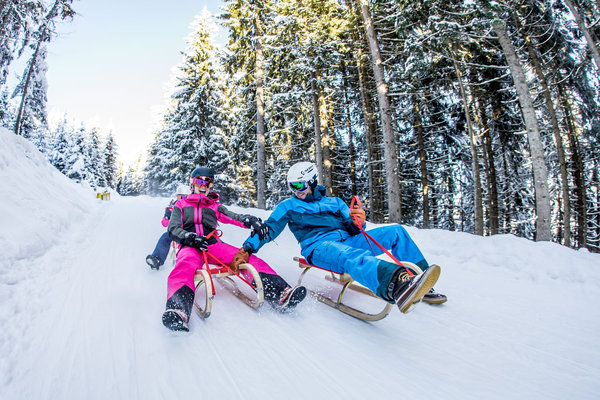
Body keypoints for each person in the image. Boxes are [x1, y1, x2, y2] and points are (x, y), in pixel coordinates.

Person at [231, 161, 447, 315]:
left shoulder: (335, 203)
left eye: (299, 186)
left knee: (396, 232)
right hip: (318, 246)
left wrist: (358, 223)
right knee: (349, 254)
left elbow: (353, 230)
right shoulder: (289, 206)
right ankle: (396, 286)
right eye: (292, 187)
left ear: (313, 181)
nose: (296, 191)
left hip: (348, 240)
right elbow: (269, 229)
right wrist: (247, 248)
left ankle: (420, 280)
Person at [162, 166, 306, 332]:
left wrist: (250, 220)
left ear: (211, 186)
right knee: (184, 265)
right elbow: (172, 229)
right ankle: (178, 309)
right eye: (199, 181)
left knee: (245, 258)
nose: (203, 185)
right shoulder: (181, 204)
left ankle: (281, 293)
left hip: (213, 245)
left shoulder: (214, 206)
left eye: (207, 182)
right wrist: (189, 237)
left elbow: (233, 217)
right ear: (192, 183)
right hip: (191, 245)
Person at [146, 186, 189, 270]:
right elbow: (164, 224)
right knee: (165, 237)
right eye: (180, 197)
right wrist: (167, 216)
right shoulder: (173, 207)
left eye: (185, 197)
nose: (182, 199)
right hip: (176, 231)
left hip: (189, 230)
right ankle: (157, 258)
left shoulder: (192, 206)